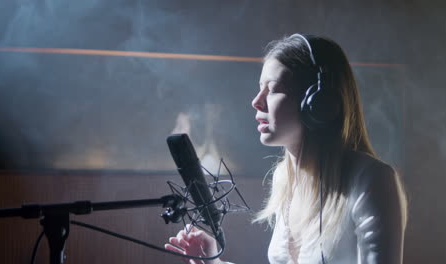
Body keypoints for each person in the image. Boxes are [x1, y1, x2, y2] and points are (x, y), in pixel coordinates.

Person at [164, 34, 408, 264]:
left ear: (317, 103)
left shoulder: (372, 179)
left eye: (272, 89)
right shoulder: (285, 178)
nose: (256, 101)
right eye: (260, 87)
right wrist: (215, 261)